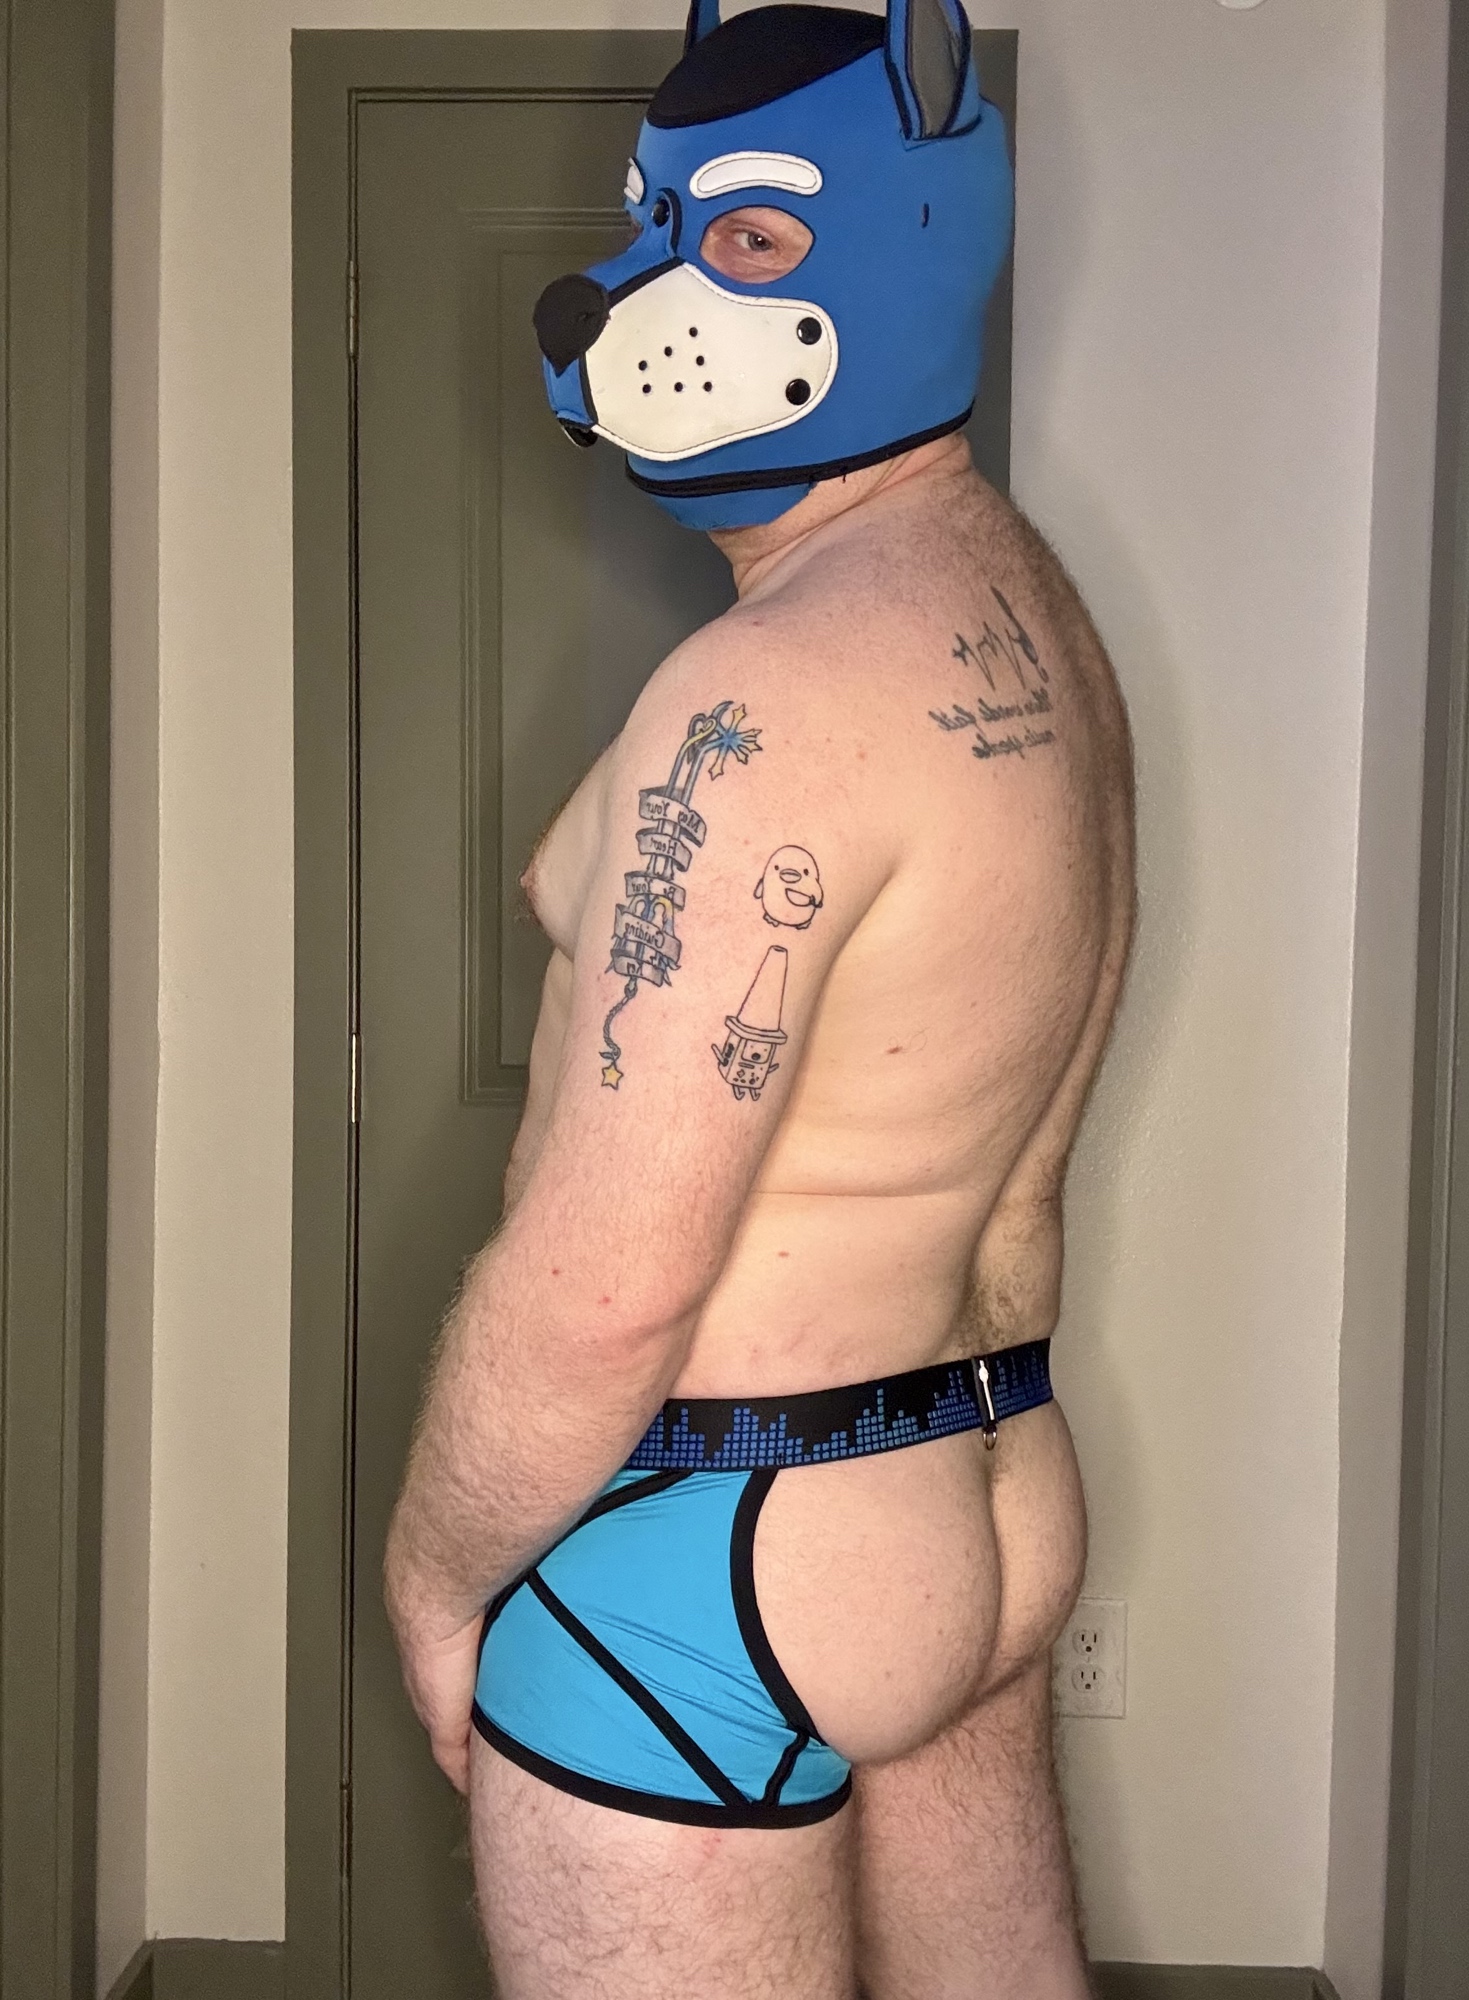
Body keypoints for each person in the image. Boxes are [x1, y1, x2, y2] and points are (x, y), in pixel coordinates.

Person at [384, 2, 1135, 1993]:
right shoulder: (1028, 627)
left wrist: (436, 1576)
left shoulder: (768, 700)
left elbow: (605, 1287)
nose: (637, 289)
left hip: (723, 1534)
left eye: (748, 239)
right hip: (983, 1463)